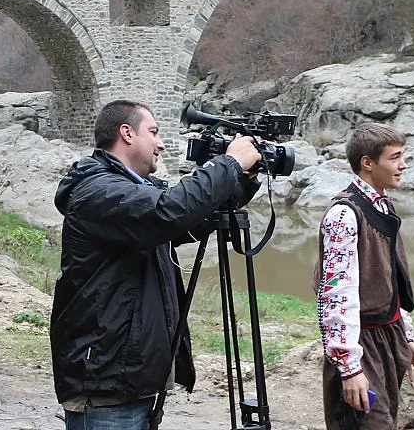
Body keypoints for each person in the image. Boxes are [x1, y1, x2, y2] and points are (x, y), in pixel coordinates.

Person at [50, 99, 262, 430]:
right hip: (105, 385)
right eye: (154, 132)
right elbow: (169, 211)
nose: (161, 143)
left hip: (129, 380)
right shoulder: (97, 190)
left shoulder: (132, 192)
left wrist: (240, 181)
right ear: (126, 133)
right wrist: (228, 163)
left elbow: (186, 222)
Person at [316, 122, 414, 430]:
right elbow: (335, 297)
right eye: (395, 157)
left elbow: (392, 280)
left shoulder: (383, 205)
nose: (403, 165)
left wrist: (405, 337)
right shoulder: (344, 215)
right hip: (361, 342)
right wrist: (349, 368)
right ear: (368, 163)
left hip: (388, 337)